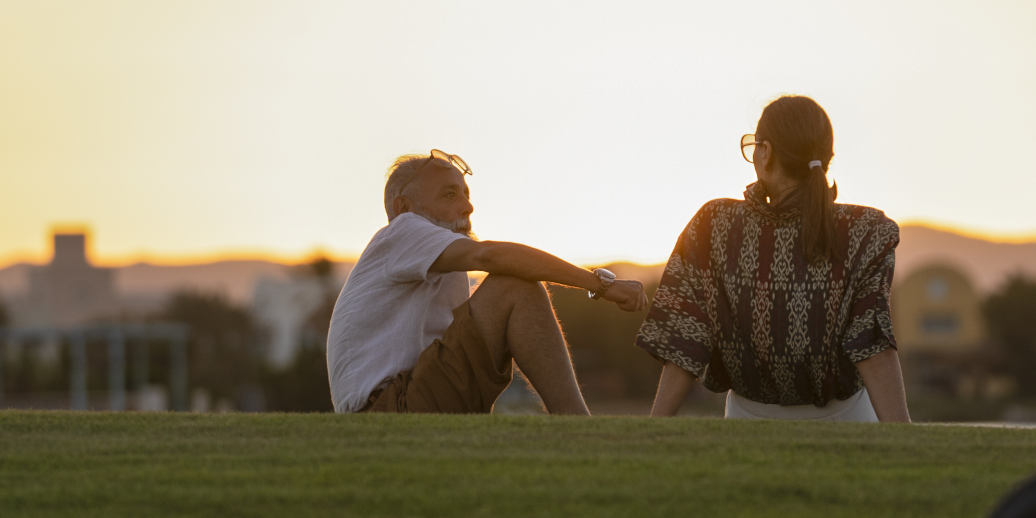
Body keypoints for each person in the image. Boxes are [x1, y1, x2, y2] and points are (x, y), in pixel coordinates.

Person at [636, 95, 911, 422]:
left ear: (765, 153)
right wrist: (902, 435)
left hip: (745, 423)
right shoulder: (867, 232)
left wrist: (655, 428)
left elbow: (685, 337)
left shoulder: (713, 225)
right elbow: (872, 343)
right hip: (850, 421)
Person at [326, 149, 648, 415]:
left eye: (466, 194)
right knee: (514, 286)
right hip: (386, 409)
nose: (468, 206)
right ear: (404, 208)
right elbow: (490, 256)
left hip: (405, 398)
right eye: (449, 194)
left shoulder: (430, 261)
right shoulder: (402, 231)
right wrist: (599, 284)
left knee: (507, 288)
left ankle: (576, 426)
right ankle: (580, 428)